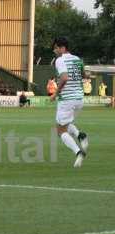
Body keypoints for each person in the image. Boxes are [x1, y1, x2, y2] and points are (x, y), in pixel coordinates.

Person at [51, 37, 88, 168]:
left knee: (60, 130)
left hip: (67, 99)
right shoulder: (78, 59)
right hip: (79, 99)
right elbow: (84, 75)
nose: (54, 50)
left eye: (56, 48)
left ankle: (78, 152)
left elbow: (64, 77)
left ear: (62, 48)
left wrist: (55, 93)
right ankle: (81, 135)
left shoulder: (60, 60)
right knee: (66, 123)